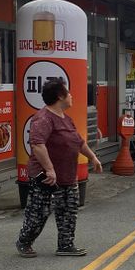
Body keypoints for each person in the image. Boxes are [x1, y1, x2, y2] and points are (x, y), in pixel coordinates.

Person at [16, 79, 102, 257]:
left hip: (67, 175)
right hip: (45, 176)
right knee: (39, 212)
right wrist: (49, 169)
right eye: (68, 92)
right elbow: (37, 144)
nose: (71, 96)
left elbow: (78, 142)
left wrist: (93, 157)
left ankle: (65, 245)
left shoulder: (66, 118)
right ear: (59, 96)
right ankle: (24, 242)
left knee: (68, 211)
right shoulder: (43, 118)